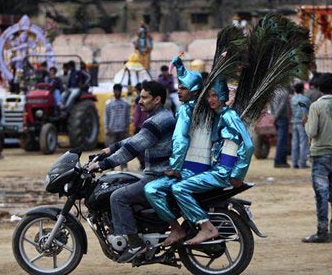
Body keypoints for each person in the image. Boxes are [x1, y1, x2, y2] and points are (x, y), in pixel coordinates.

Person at [88, 81, 175, 262]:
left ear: (157, 99)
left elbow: (132, 149)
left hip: (157, 176)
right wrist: (109, 149)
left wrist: (103, 164)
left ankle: (135, 244)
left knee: (117, 197)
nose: (140, 101)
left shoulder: (158, 121)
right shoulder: (161, 117)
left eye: (144, 97)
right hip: (155, 173)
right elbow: (135, 139)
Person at [161, 78, 254, 245]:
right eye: (209, 96)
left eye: (215, 96)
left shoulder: (229, 116)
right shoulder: (217, 115)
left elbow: (247, 144)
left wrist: (238, 174)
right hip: (216, 169)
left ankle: (207, 227)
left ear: (223, 96)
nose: (211, 100)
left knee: (179, 188)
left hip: (223, 172)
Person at [144, 56, 203, 246]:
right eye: (179, 86)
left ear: (194, 91)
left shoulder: (186, 110)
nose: (179, 90)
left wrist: (175, 167)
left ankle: (176, 229)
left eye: (184, 88)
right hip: (199, 162)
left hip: (189, 166)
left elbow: (180, 140)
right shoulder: (199, 108)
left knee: (151, 189)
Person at [302, 73, 332, 243]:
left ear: (319, 88)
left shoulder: (316, 107)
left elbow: (312, 131)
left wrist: (306, 123)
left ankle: (322, 231)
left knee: (321, 194)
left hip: (319, 154)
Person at [104, 84, 131, 171]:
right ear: (113, 91)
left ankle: (124, 167)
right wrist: (106, 127)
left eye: (119, 91)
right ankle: (111, 167)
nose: (117, 92)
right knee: (111, 150)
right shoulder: (109, 103)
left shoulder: (126, 103)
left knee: (123, 150)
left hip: (122, 130)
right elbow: (106, 116)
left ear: (121, 91)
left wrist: (127, 127)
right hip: (112, 130)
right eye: (116, 91)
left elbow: (128, 116)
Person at [290, 82, 311, 168]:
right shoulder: (305, 99)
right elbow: (310, 109)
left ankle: (294, 162)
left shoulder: (292, 99)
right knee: (303, 143)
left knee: (295, 142)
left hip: (294, 122)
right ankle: (302, 162)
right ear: (303, 89)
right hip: (302, 123)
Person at [271, 87, 290, 168]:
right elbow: (282, 106)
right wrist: (276, 116)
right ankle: (279, 161)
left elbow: (271, 106)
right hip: (282, 118)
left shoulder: (274, 91)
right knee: (282, 141)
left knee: (281, 140)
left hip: (276, 118)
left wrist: (273, 116)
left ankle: (282, 161)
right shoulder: (284, 92)